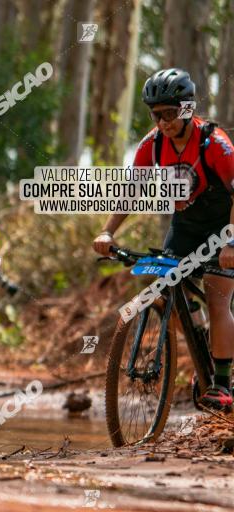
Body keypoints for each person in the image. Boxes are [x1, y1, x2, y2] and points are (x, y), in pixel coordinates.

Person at [93, 68, 234, 411]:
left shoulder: (214, 144)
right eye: (157, 114)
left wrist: (230, 244)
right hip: (185, 224)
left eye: (171, 113)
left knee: (217, 297)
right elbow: (132, 191)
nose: (165, 121)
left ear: (187, 109)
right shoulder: (151, 144)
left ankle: (221, 383)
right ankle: (202, 344)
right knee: (169, 290)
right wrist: (108, 231)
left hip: (224, 223)